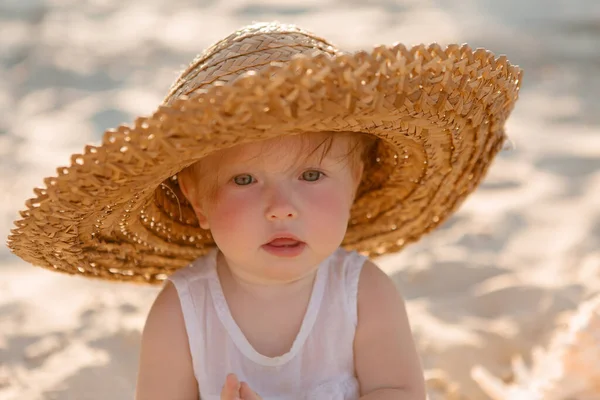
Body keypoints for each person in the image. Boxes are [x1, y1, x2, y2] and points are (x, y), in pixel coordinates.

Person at [7, 22, 522, 400]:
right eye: (245, 180)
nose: (280, 209)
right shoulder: (182, 312)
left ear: (357, 183)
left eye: (312, 176)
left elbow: (397, 391)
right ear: (196, 199)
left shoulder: (363, 293)